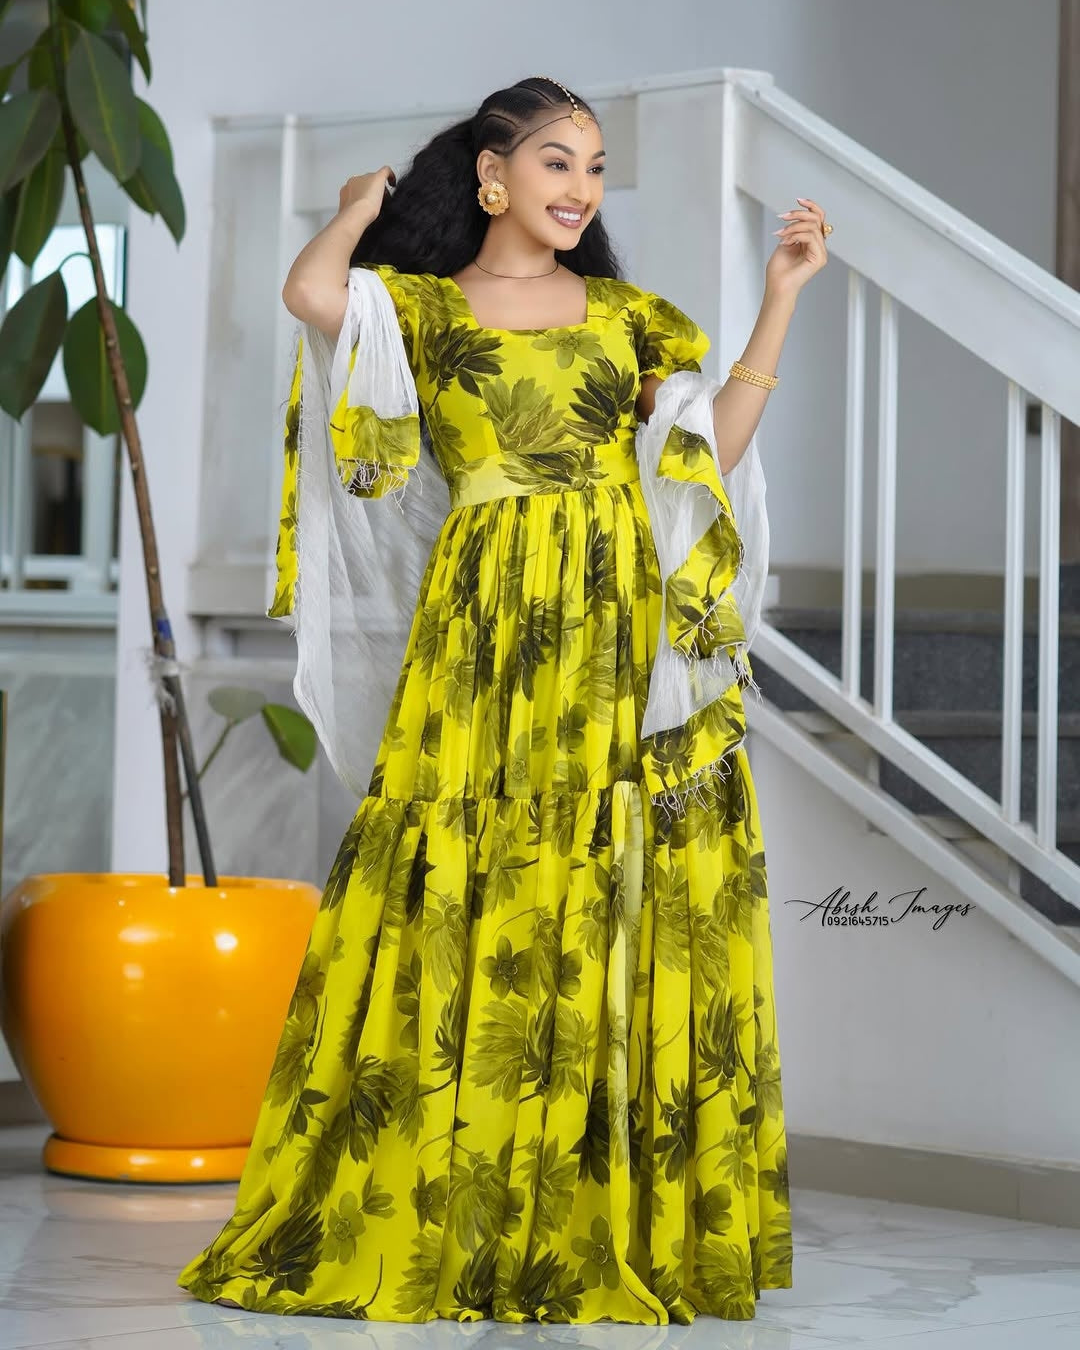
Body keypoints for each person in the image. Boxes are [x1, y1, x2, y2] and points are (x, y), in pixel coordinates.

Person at [177, 73, 829, 1325]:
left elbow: (714, 448)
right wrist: (361, 207)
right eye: (555, 164)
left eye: (593, 169)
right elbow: (312, 297)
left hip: (616, 613)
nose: (581, 189)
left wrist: (779, 303)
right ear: (492, 175)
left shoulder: (629, 315)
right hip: (484, 621)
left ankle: (583, 1204)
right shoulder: (418, 308)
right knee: (460, 864)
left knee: (604, 868)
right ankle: (455, 1202)